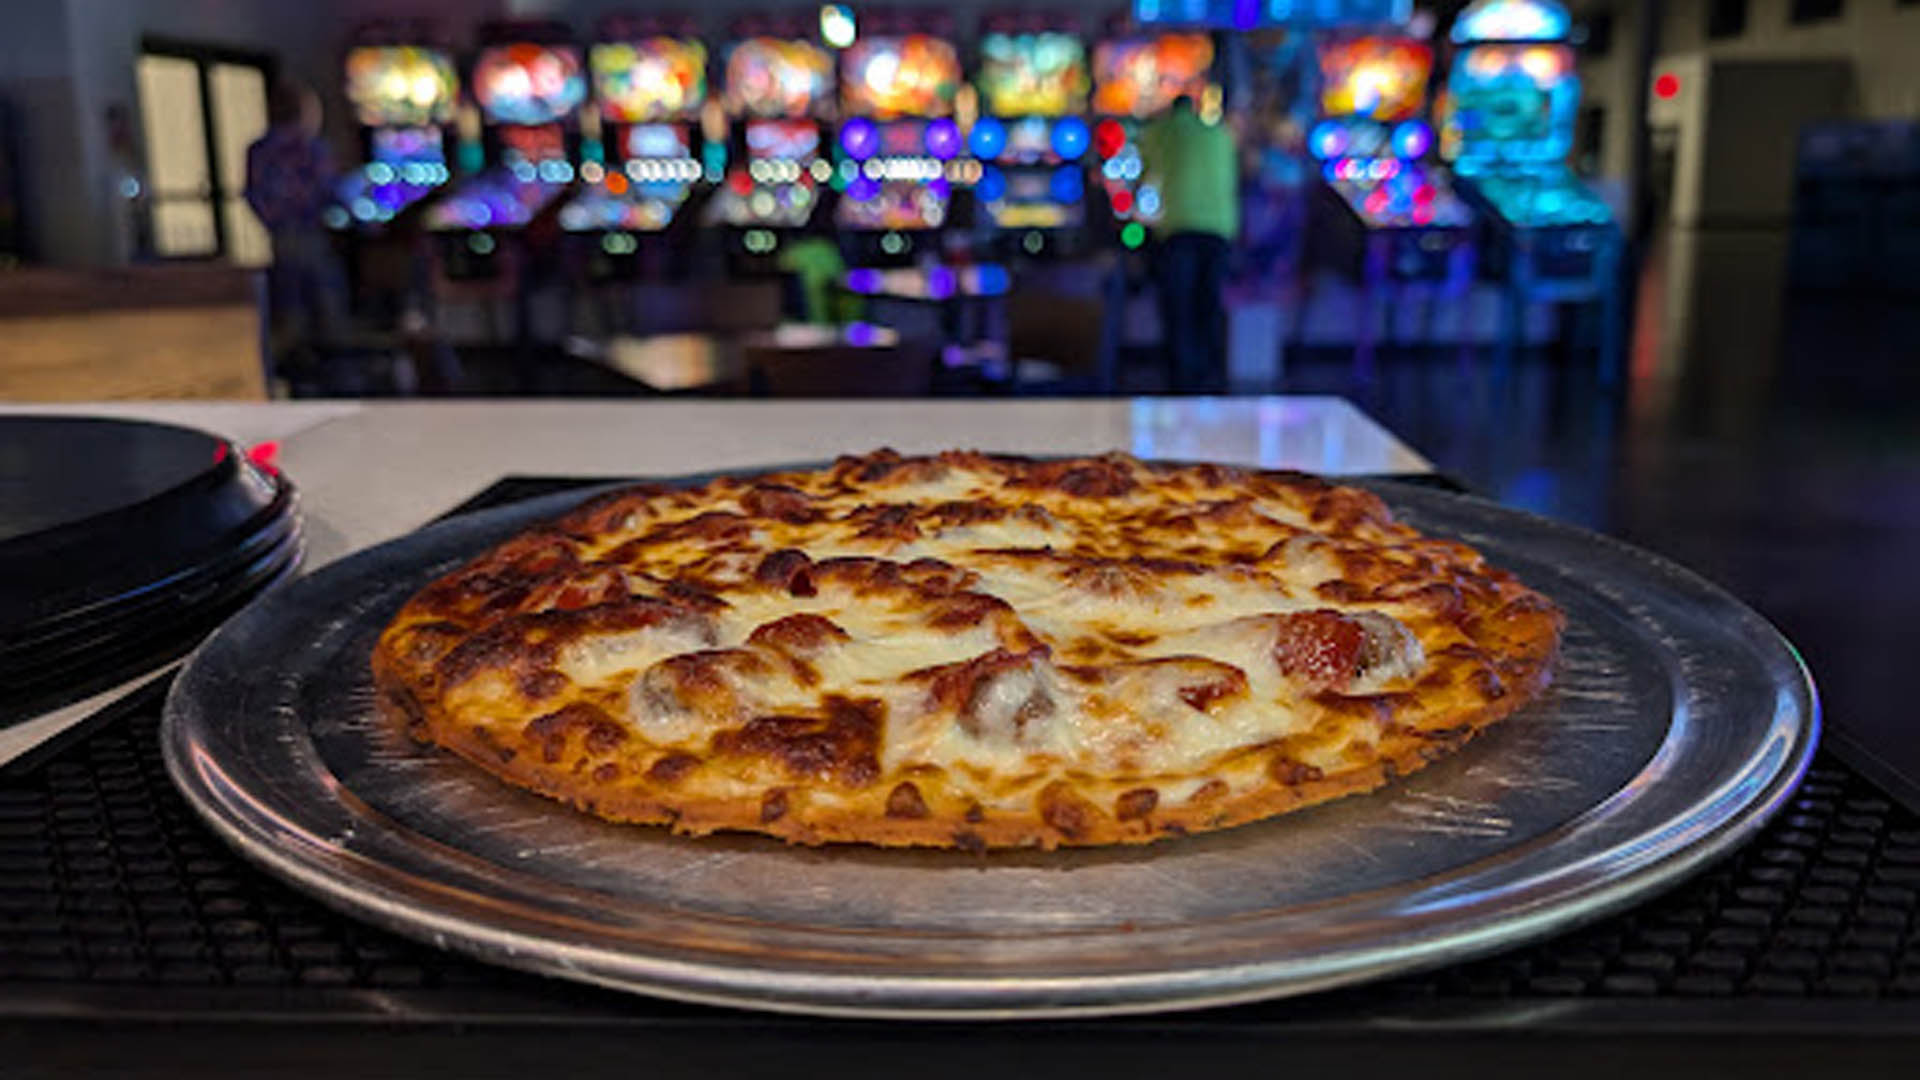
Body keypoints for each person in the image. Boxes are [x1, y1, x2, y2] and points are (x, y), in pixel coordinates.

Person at [244, 80, 346, 388]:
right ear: (304, 111)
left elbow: (253, 195)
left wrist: (273, 222)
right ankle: (332, 380)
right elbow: (331, 193)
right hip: (310, 234)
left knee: (289, 313)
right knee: (327, 313)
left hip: (280, 238)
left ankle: (290, 378)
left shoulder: (258, 150)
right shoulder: (311, 148)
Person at [1140, 94, 1240, 393]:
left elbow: (1143, 177)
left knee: (1179, 308)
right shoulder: (1219, 134)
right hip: (1220, 228)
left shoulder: (1159, 131)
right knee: (1209, 306)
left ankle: (1182, 383)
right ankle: (1211, 379)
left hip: (1178, 227)